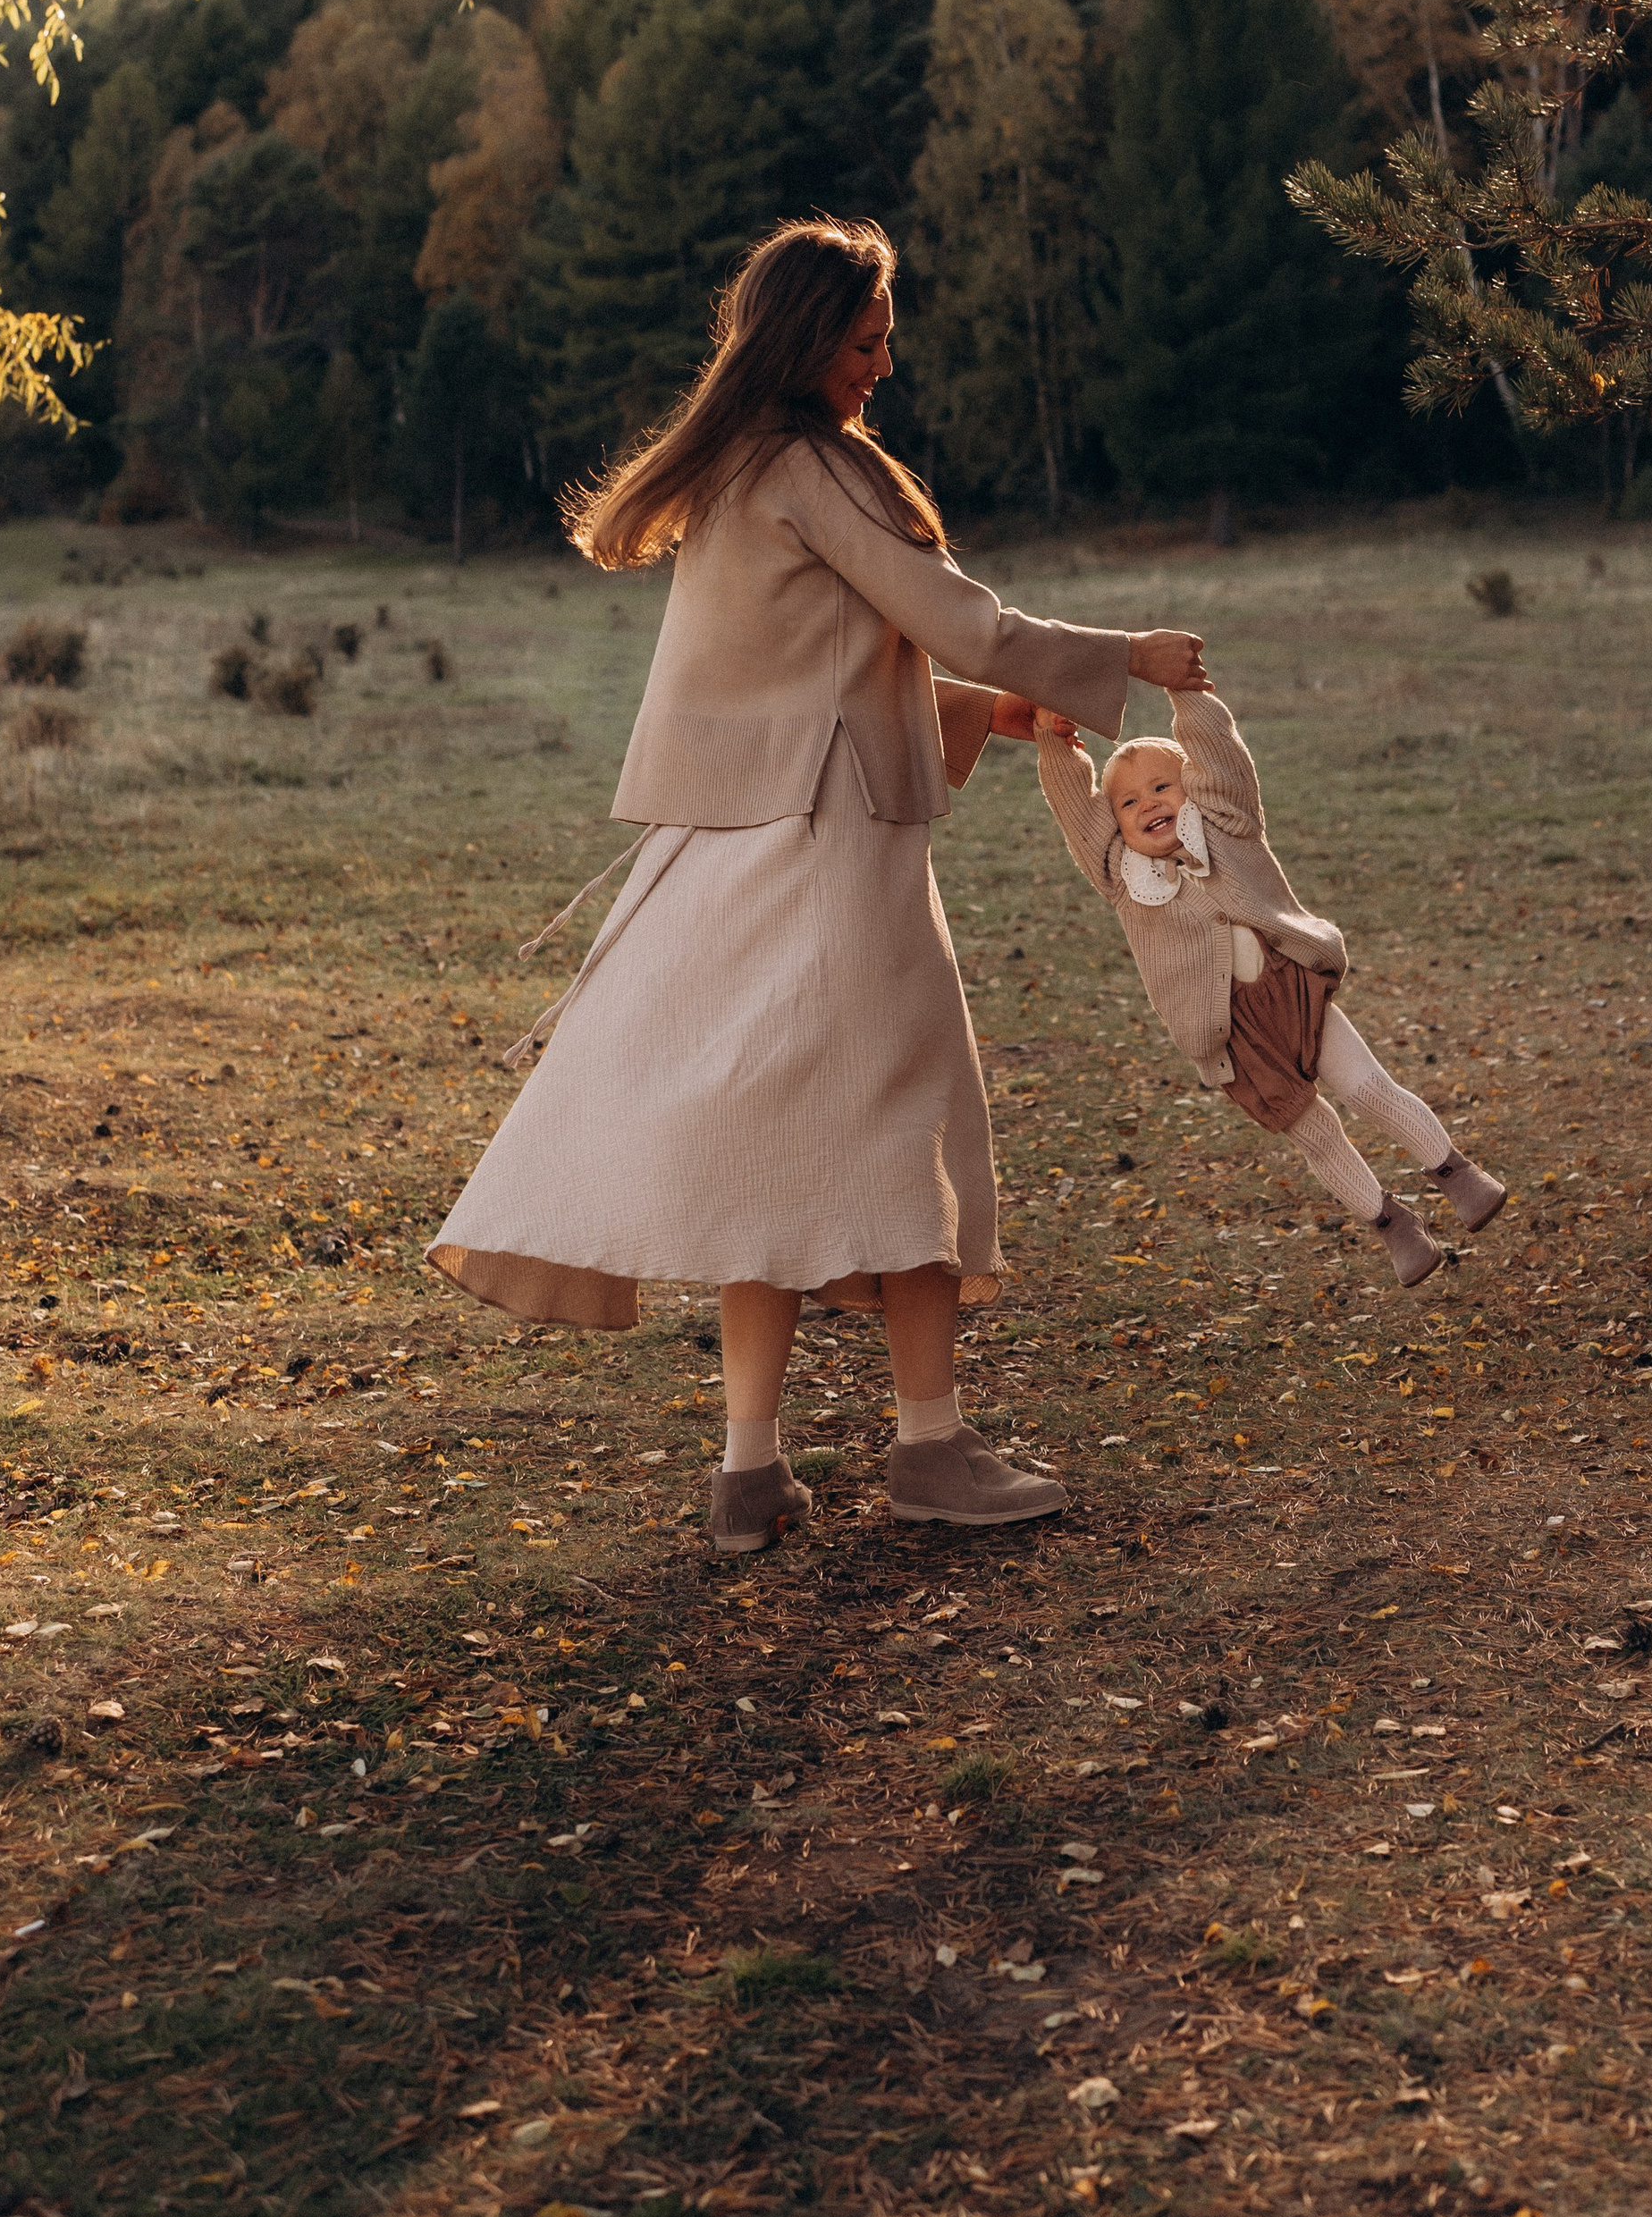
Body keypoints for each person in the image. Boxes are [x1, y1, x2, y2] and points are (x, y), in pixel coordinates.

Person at [426, 214, 1211, 1553]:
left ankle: (748, 1471)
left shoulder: (739, 472)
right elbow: (956, 615)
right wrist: (1128, 653)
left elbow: (822, 671)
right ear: (806, 341)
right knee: (907, 1123)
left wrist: (983, 715)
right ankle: (930, 1448)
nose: (883, 366)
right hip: (832, 847)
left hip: (735, 845)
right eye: (866, 339)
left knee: (772, 1152)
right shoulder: (810, 466)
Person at [1033, 685, 1504, 1286]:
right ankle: (1396, 1228)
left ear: (1192, 790)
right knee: (1318, 1135)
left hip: (1291, 992)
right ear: (1113, 823)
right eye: (1126, 802)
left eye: (1161, 787)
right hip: (1235, 1044)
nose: (1148, 804)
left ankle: (1456, 1174)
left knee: (1366, 1088)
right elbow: (1074, 803)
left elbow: (1221, 757)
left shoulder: (1228, 826)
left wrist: (1187, 691)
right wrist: (1053, 739)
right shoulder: (1124, 879)